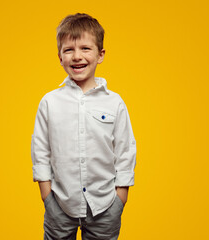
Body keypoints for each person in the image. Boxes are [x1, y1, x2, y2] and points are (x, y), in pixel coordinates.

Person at [31, 13, 137, 240]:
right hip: (60, 204)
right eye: (69, 49)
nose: (77, 56)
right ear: (60, 57)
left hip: (105, 205)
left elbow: (125, 151)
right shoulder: (49, 102)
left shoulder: (114, 102)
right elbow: (40, 151)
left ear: (101, 54)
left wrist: (120, 198)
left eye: (86, 49)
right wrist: (47, 197)